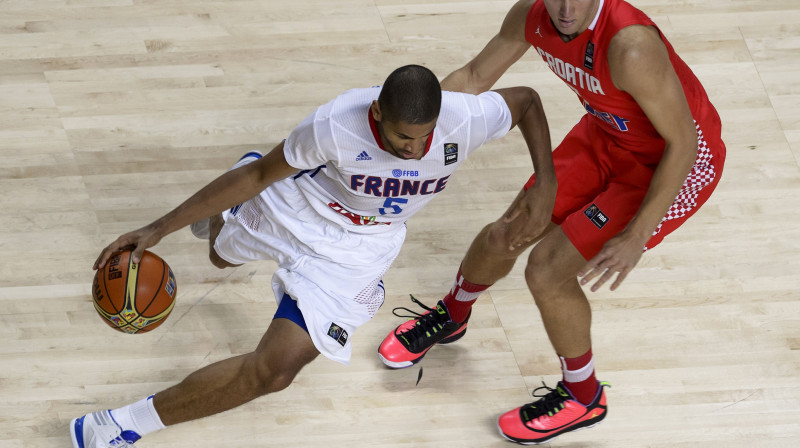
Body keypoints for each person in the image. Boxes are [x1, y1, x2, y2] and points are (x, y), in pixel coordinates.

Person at [70, 64, 555, 448]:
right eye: (403, 137)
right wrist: (157, 229)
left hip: (361, 247)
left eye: (423, 137)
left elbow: (527, 102)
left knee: (275, 371)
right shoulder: (334, 124)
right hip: (298, 209)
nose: (413, 151)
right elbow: (261, 176)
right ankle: (225, 216)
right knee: (220, 257)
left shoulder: (461, 119)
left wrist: (545, 183)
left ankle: (119, 425)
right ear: (379, 113)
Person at [377, 0, 727, 444]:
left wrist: (636, 236)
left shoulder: (630, 47)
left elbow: (685, 143)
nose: (565, 9)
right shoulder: (532, 15)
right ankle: (454, 313)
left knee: (547, 270)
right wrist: (415, 135)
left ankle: (584, 397)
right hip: (607, 134)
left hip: (674, 164)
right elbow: (471, 79)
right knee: (510, 229)